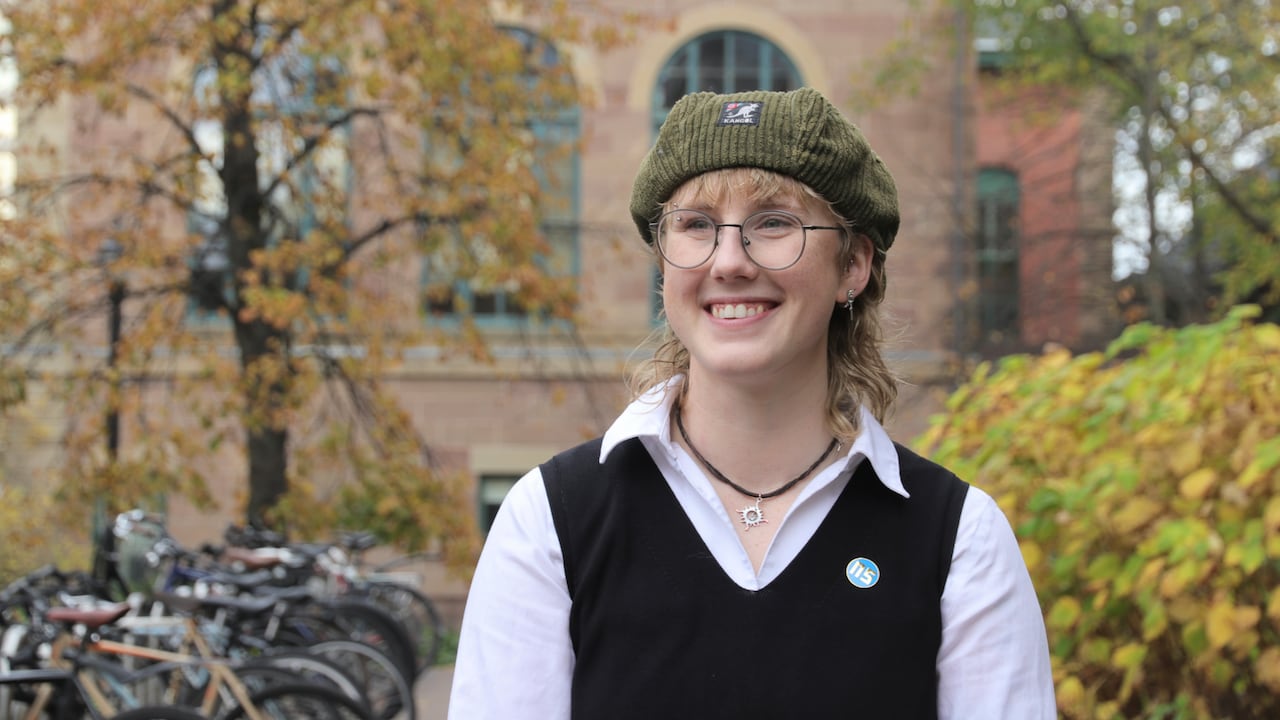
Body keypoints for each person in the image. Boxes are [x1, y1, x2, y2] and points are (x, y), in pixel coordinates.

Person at [448, 87, 1056, 719]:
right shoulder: (550, 524)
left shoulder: (959, 540)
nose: (729, 261)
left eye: (774, 223)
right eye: (695, 226)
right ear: (664, 265)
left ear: (853, 265)